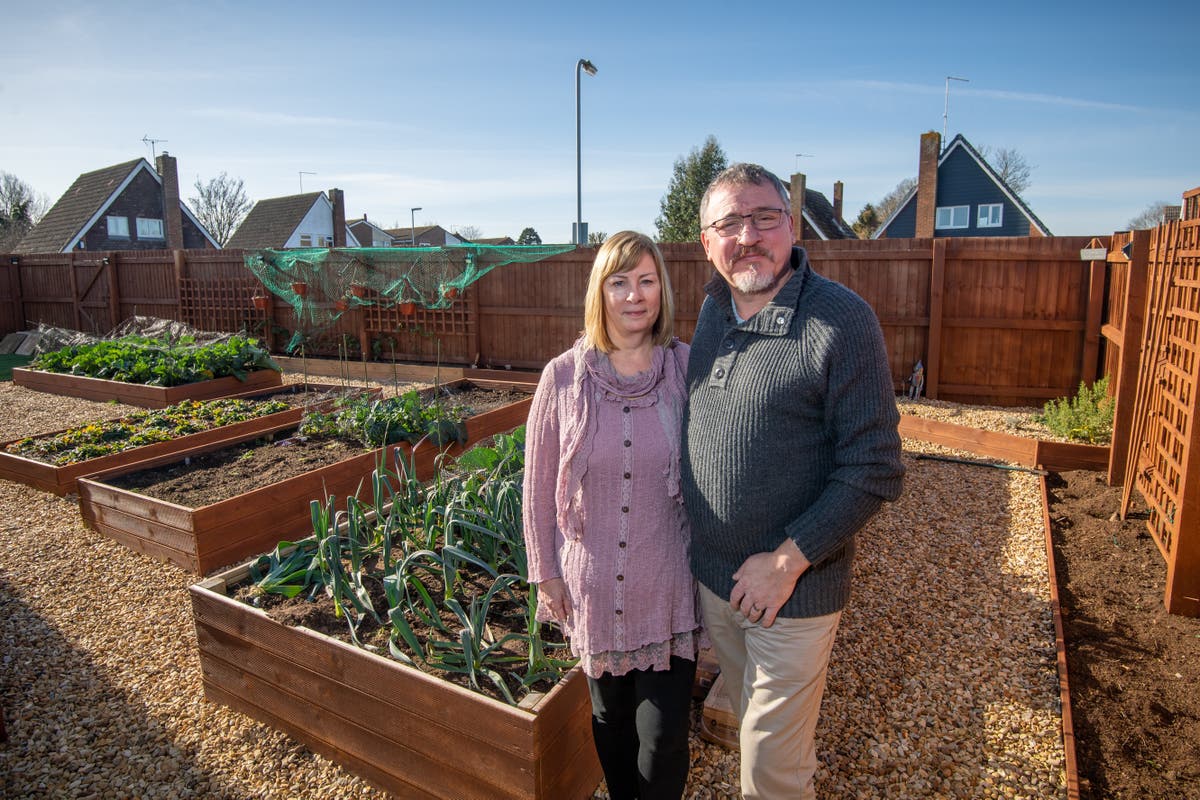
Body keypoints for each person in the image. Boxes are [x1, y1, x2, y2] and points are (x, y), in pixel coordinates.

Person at [681, 164, 905, 799]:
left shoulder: (840, 320)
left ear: (791, 225)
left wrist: (786, 562)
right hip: (717, 583)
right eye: (728, 223)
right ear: (706, 241)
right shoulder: (711, 309)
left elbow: (876, 466)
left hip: (792, 593)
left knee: (772, 772)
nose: (747, 236)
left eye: (764, 218)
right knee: (752, 714)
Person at [523, 230, 702, 800]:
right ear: (599, 293)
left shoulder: (685, 370)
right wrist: (545, 572)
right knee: (611, 728)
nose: (634, 295)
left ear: (662, 291)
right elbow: (537, 487)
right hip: (594, 593)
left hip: (667, 590)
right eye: (619, 282)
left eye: (646, 281)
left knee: (664, 736)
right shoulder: (563, 378)